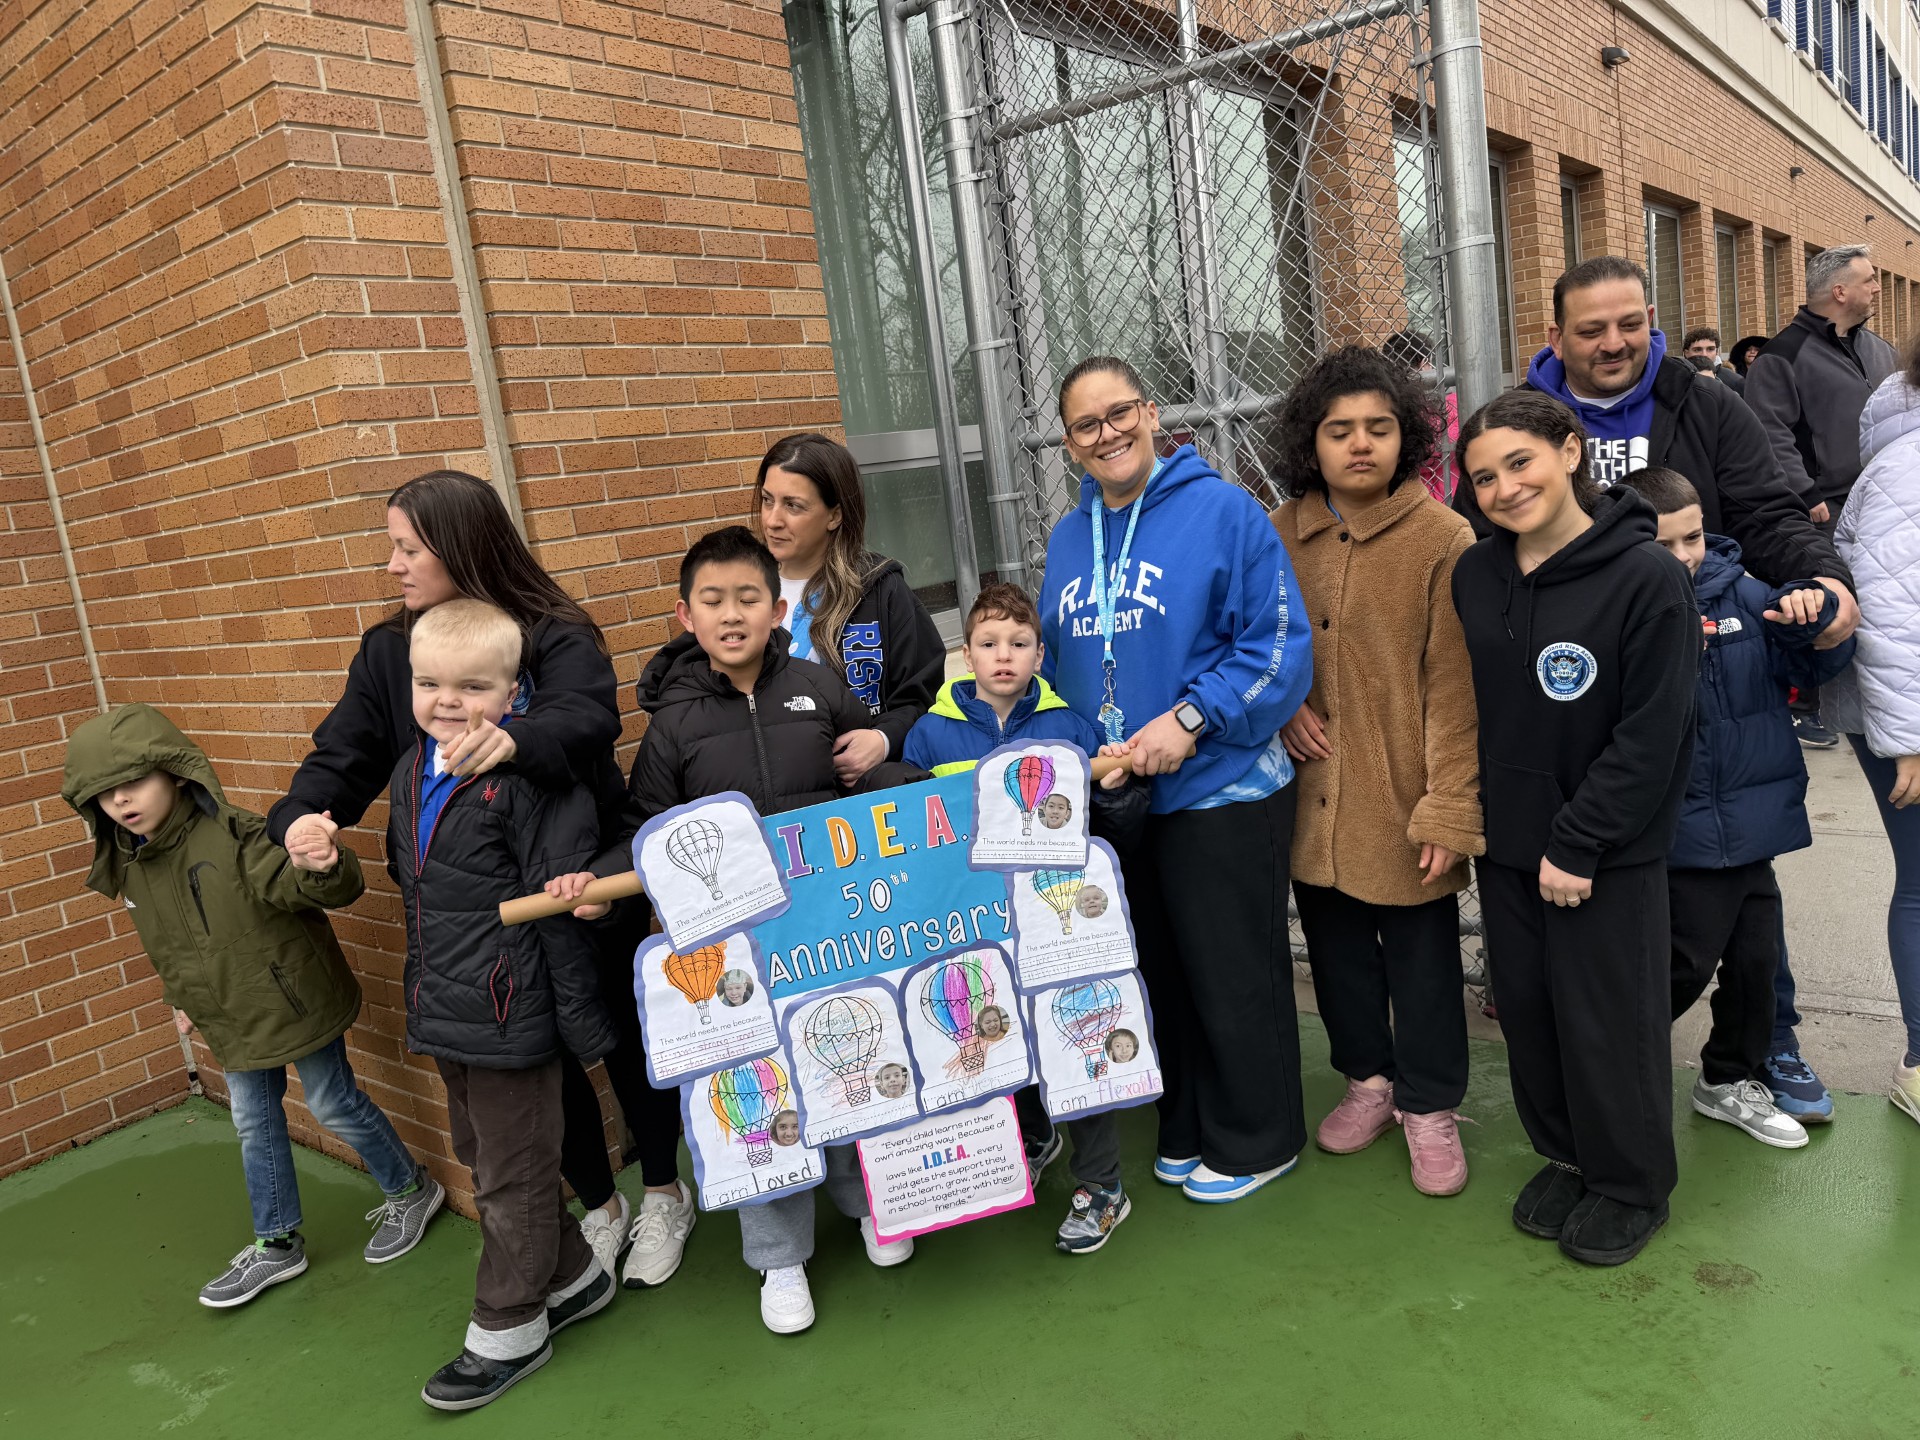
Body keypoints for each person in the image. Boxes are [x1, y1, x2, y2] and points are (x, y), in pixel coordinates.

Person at [269, 471, 695, 1293]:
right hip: (475, 917)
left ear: (461, 547)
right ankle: (599, 1208)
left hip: (575, 883)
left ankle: (665, 1193)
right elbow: (344, 753)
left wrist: (517, 739)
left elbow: (589, 717)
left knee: (618, 1037)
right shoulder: (392, 649)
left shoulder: (555, 632)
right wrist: (303, 814)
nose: (393, 565)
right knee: (536, 1062)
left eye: (407, 547)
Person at [1515, 256, 1860, 1117]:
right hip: (1583, 690)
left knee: (1741, 880)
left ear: (1652, 318)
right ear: (1555, 335)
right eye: (1590, 329)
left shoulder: (1704, 403)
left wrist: (1824, 580)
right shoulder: (1525, 420)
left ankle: (1762, 1045)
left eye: (1628, 322)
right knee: (1617, 890)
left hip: (1700, 681)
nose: (1613, 342)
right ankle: (1594, 1048)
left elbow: (1770, 510)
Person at [556, 525, 899, 1336]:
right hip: (735, 957)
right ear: (685, 616)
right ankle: (779, 1257)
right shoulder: (673, 727)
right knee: (759, 1091)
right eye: (713, 600)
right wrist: (598, 882)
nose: (732, 613)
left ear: (778, 608)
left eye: (749, 597)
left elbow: (877, 777)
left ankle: (869, 1205)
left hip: (831, 932)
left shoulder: (820, 686)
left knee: (847, 1059)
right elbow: (644, 826)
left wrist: (888, 763)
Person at [1040, 355, 1314, 1205]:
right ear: (1070, 445)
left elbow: (1278, 646)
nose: (1108, 433)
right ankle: (1191, 1120)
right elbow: (1061, 664)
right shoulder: (1065, 537)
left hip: (1222, 786)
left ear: (1152, 413)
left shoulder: (1224, 511)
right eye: (1087, 425)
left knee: (1233, 971)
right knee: (1162, 969)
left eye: (1120, 413)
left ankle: (1260, 1134)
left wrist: (1191, 720)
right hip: (1122, 800)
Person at [60, 705, 445, 1309]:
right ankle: (277, 1243)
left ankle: (410, 1190)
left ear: (176, 775)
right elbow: (167, 944)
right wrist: (182, 999)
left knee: (331, 1101)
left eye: (134, 783)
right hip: (229, 1015)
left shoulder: (237, 836)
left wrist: (322, 862)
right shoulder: (133, 863)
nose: (122, 802)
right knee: (253, 1121)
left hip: (294, 1001)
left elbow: (315, 887)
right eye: (105, 794)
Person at [1452, 391, 1698, 1267]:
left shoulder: (1647, 579)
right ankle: (1567, 1154)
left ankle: (1632, 1182)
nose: (1505, 487)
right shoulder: (1476, 575)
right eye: (1483, 476)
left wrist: (1580, 839)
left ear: (1568, 451)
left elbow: (1652, 732)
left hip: (1605, 850)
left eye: (1521, 462)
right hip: (1510, 842)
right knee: (1530, 1011)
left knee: (1609, 1019)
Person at [387, 600, 619, 1410]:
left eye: (471, 686)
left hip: (510, 1011)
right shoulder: (409, 769)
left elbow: (570, 879)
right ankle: (577, 1278)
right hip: (443, 1003)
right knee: (487, 1157)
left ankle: (508, 1324)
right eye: (428, 683)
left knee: (512, 1176)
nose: (446, 701)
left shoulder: (527, 778)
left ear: (514, 693)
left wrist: (576, 891)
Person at [1268, 347, 1484, 1198]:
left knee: (1422, 957)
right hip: (1312, 793)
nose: (1360, 446)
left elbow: (1454, 686)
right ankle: (1369, 1077)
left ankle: (1430, 1104)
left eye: (1379, 429)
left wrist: (1448, 806)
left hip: (1403, 791)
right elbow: (1251, 640)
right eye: (1339, 431)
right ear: (1310, 443)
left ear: (1410, 437)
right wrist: (1280, 703)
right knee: (1334, 947)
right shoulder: (1279, 531)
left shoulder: (1444, 537)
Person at [901, 581, 1138, 1252]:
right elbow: (916, 835)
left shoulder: (1069, 727)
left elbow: (1102, 823)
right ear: (966, 653)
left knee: (1076, 1041)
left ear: (1039, 653)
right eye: (987, 643)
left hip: (1056, 925)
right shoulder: (930, 731)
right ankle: (1034, 1136)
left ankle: (1103, 1186)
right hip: (975, 923)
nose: (1003, 655)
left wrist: (1115, 786)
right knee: (996, 1030)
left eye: (1019, 643)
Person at [1633, 466, 1854, 1149]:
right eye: (1663, 545)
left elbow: (1811, 672)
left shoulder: (1751, 596)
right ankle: (1608, 1066)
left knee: (1758, 965)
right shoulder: (1630, 610)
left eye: (1692, 537)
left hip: (1752, 824)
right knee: (1681, 964)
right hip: (1685, 830)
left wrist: (1810, 626)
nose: (1685, 557)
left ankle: (1728, 1076)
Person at [1746, 245, 1897, 752]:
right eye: (1871, 280)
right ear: (1840, 291)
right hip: (1824, 512)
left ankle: (1889, 706)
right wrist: (1806, 494)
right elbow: (1768, 432)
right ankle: (1811, 707)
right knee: (1835, 608)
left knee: (1887, 612)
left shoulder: (1880, 350)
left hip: (1888, 506)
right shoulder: (1781, 355)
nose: (1878, 288)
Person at [1823, 353, 1920, 1127]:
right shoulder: (1906, 466)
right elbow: (1891, 611)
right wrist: (1908, 739)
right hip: (1907, 718)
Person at [755, 433, 945, 787]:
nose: (772, 520)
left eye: (793, 506)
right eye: (768, 500)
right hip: (776, 795)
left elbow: (924, 695)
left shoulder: (879, 588)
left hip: (863, 794)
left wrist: (883, 738)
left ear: (835, 515)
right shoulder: (742, 590)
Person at [1382, 328, 1459, 502]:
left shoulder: (1388, 411)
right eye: (1429, 363)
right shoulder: (1453, 406)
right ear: (1423, 362)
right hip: (1455, 497)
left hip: (1410, 501)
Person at [1680, 326, 1745, 396]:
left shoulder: (1735, 381)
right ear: (1686, 353)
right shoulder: (1675, 379)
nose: (1704, 354)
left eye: (1710, 349)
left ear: (1716, 352)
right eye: (1697, 350)